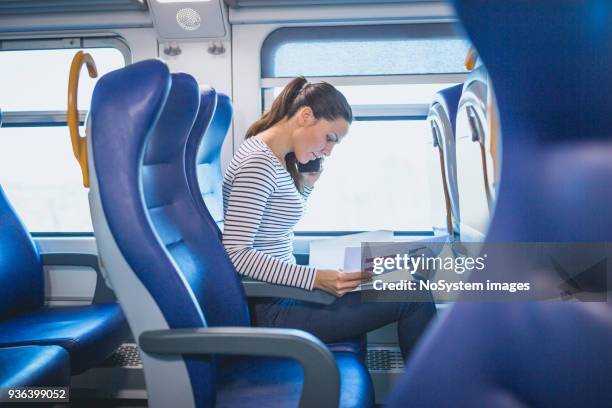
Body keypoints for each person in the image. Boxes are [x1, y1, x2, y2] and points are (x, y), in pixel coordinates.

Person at [222, 76, 436, 360]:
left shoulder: (275, 158)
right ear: (306, 116)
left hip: (289, 293)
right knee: (412, 295)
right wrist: (317, 278)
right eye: (330, 138)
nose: (329, 150)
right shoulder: (258, 163)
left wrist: (307, 182)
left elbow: (276, 224)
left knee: (406, 273)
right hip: (275, 309)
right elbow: (237, 253)